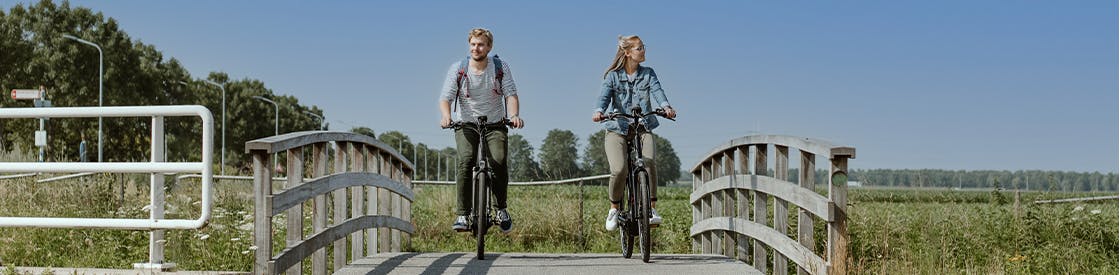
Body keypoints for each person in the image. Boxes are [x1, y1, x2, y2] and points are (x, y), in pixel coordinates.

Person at [438, 28, 525, 233]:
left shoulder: (499, 67)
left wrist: (513, 116)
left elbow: (510, 94)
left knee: (498, 160)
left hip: (494, 123)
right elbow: (446, 98)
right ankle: (463, 214)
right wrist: (446, 116)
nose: (476, 48)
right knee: (466, 160)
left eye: (481, 44)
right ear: (469, 46)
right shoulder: (459, 68)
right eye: (473, 44)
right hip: (466, 124)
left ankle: (501, 209)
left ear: (489, 47)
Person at [592, 35, 677, 231]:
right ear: (628, 52)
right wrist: (598, 111)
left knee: (649, 162)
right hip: (617, 129)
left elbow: (658, 91)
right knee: (619, 169)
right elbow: (604, 97)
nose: (643, 51)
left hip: (642, 126)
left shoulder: (648, 74)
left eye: (643, 47)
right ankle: (614, 208)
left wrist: (666, 107)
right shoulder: (613, 76)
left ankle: (652, 209)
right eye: (640, 48)